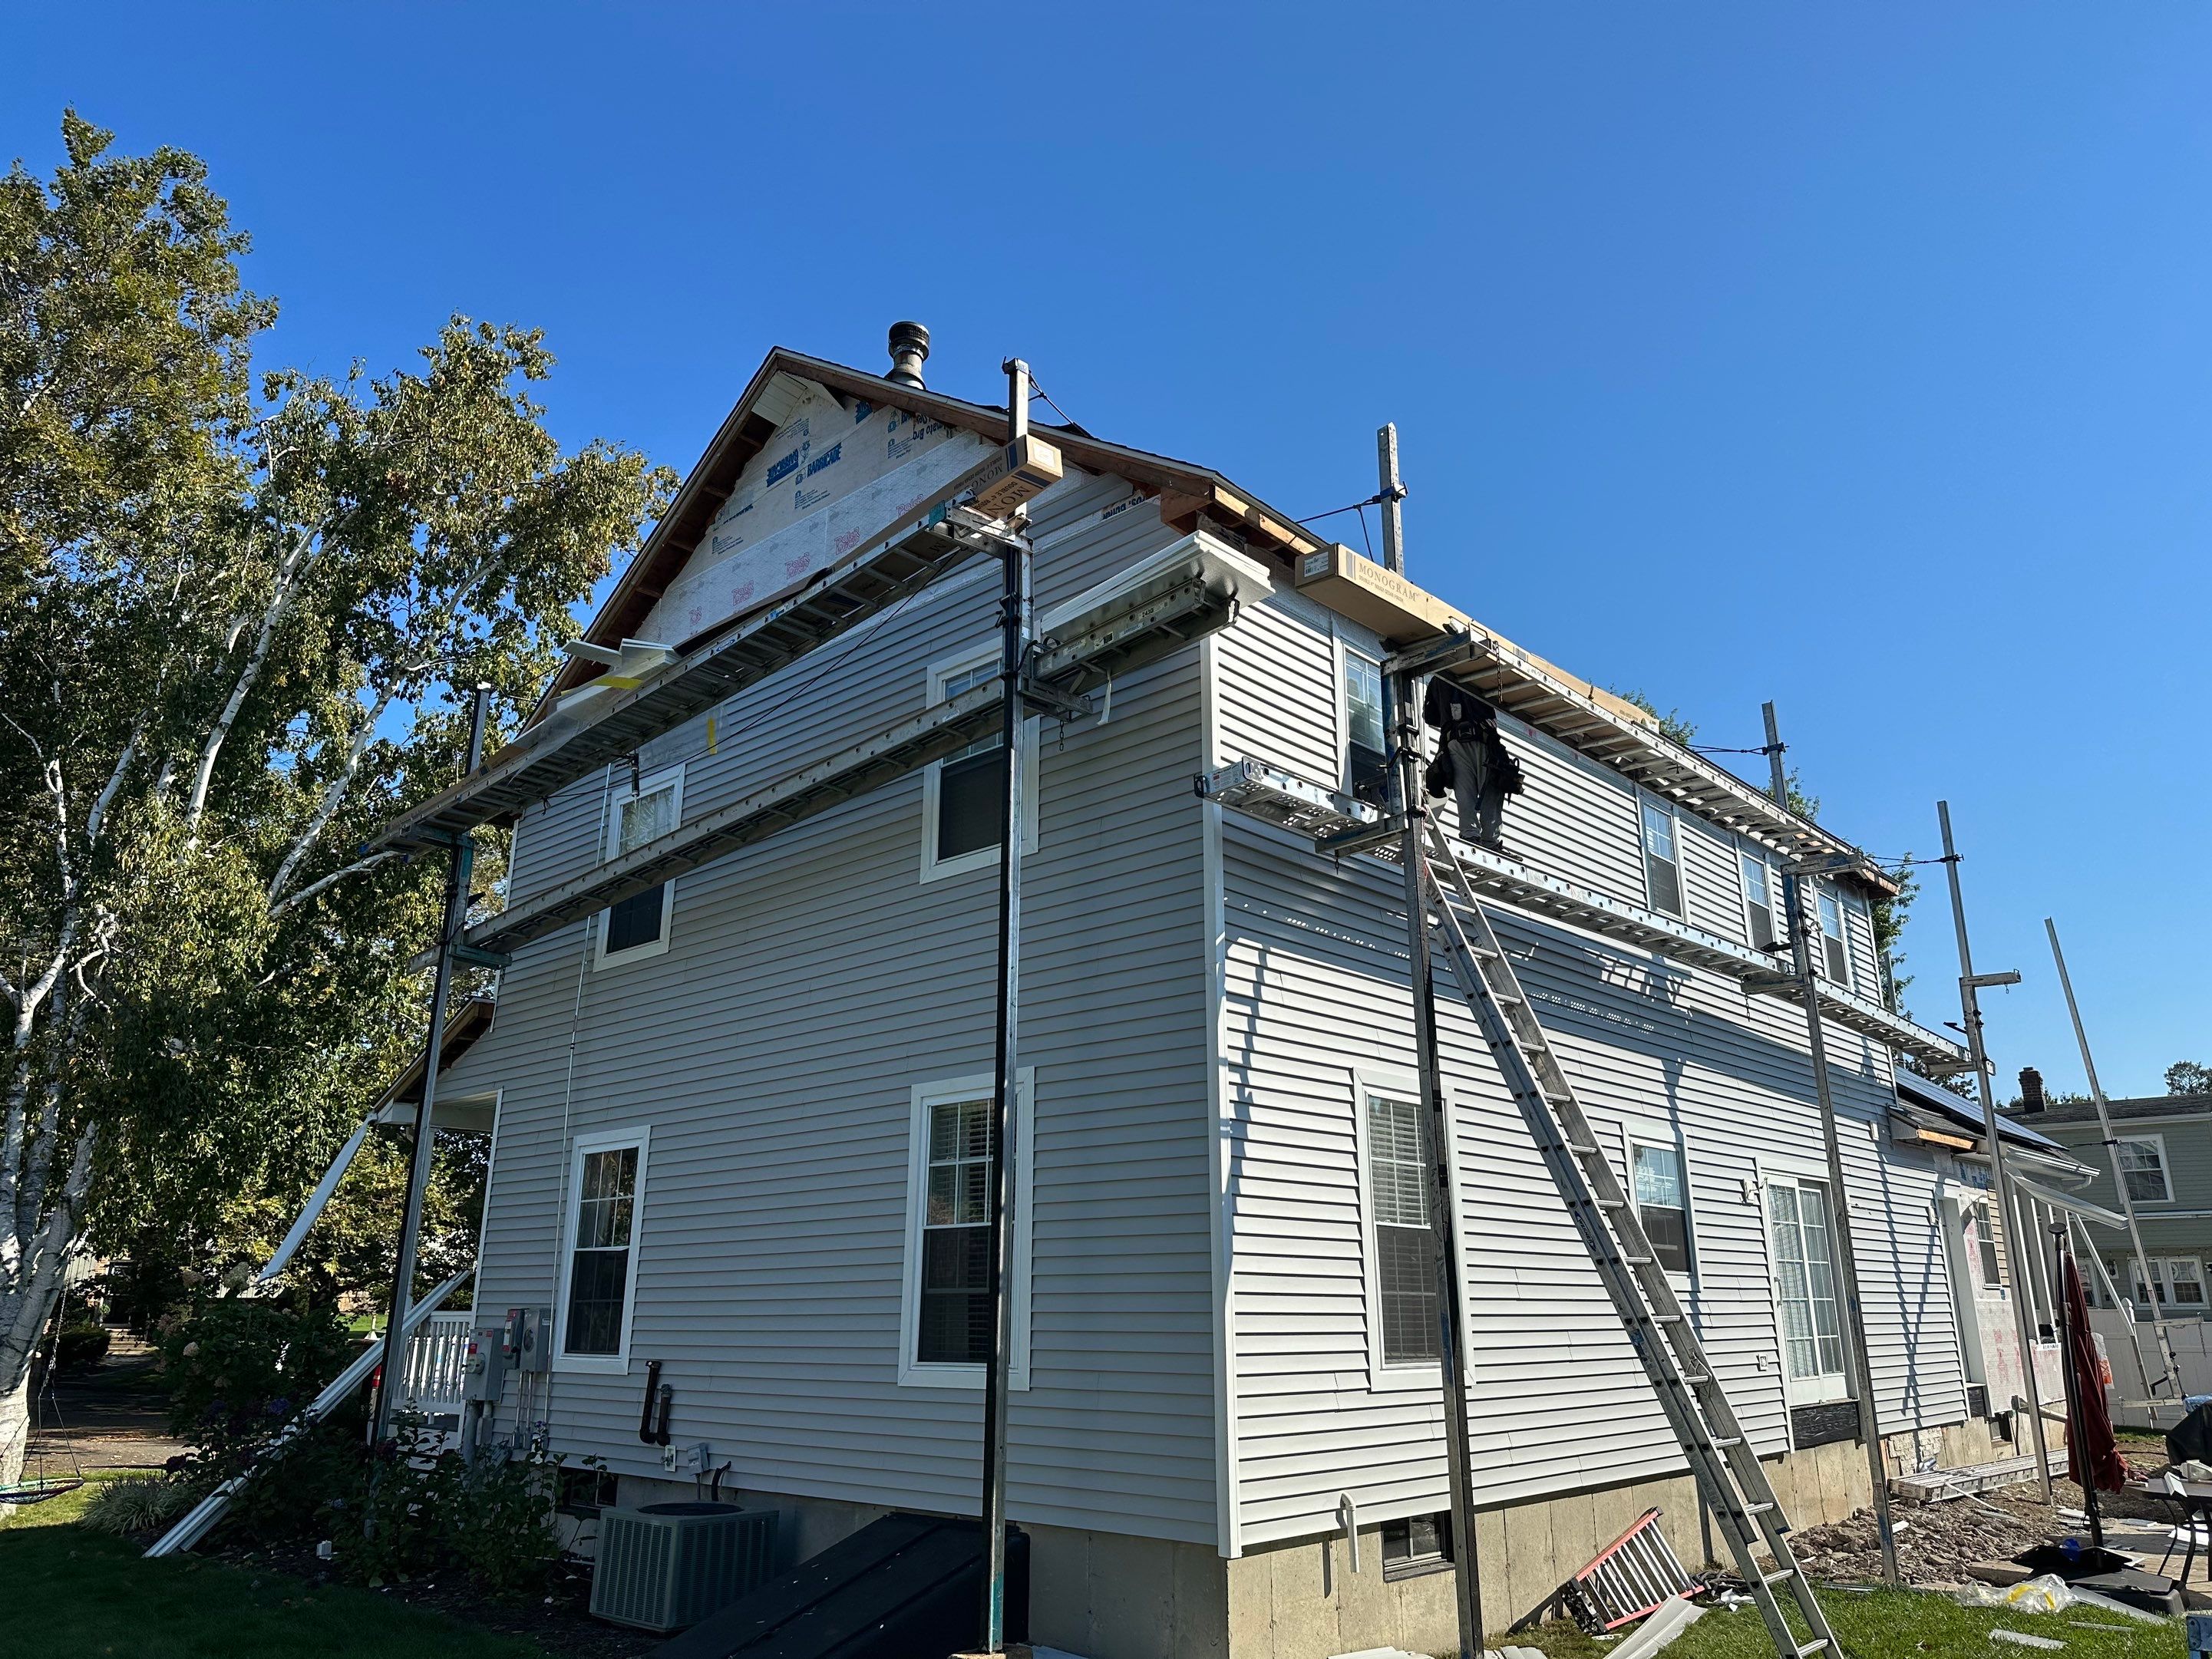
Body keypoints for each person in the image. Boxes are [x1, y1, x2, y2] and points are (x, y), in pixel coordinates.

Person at [1422, 678, 1523, 853]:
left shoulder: (1438, 679)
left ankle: (1470, 835)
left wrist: (1448, 715)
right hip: (1482, 740)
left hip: (1455, 741)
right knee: (1490, 790)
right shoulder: (1478, 670)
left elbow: (1431, 716)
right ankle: (1489, 841)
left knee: (1465, 791)